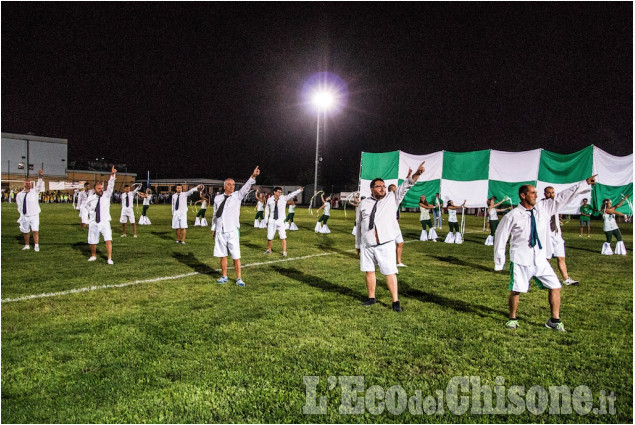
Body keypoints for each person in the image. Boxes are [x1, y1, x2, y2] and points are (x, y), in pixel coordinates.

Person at [494, 175, 596, 332]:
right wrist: (499, 262)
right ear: (523, 195)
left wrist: (584, 184)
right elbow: (500, 239)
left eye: (536, 192)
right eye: (533, 192)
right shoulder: (512, 216)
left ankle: (554, 320)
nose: (536, 195)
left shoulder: (543, 208)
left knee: (555, 286)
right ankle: (512, 318)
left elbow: (563, 197)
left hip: (541, 259)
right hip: (521, 259)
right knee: (516, 290)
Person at [355, 161, 426, 312]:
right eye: (379, 186)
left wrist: (417, 174)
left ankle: (395, 301)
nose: (382, 188)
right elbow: (359, 225)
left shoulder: (392, 198)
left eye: (383, 186)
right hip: (367, 244)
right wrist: (358, 245)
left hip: (385, 244)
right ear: (371, 188)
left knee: (389, 272)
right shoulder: (364, 204)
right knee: (369, 271)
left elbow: (407, 185)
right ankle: (371, 298)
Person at [213, 166, 260, 287]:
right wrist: (213, 228)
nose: (231, 186)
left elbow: (246, 187)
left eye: (233, 184)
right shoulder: (217, 198)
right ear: (224, 186)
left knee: (236, 256)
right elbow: (215, 214)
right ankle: (224, 276)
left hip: (232, 231)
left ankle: (239, 278)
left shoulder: (237, 196)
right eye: (229, 184)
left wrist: (253, 176)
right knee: (222, 255)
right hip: (220, 231)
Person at [81, 166, 117, 264]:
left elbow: (110, 186)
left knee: (108, 239)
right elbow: (85, 206)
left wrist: (112, 175)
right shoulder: (91, 198)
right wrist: (90, 213)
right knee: (92, 240)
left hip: (105, 222)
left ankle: (109, 258)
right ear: (94, 189)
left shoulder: (106, 195)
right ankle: (93, 256)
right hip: (93, 222)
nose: (101, 189)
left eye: (102, 188)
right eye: (99, 188)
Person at [544, 187, 579, 285]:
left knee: (561, 257)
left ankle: (566, 279)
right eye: (549, 193)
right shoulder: (542, 204)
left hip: (556, 234)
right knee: (547, 258)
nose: (551, 195)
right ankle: (545, 278)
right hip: (547, 234)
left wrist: (557, 222)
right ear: (544, 194)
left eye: (552, 193)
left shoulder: (556, 204)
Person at [264, 186, 304, 256]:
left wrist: (299, 190)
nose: (280, 193)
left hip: (280, 221)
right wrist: (266, 219)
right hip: (272, 221)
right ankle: (269, 249)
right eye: (278, 192)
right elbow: (267, 209)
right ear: (274, 192)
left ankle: (284, 252)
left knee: (283, 236)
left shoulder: (283, 198)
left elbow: (291, 194)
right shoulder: (270, 200)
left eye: (281, 192)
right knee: (270, 236)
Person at [16, 169, 45, 252]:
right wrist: (22, 214)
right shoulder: (19, 195)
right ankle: (27, 245)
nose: (28, 184)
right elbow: (19, 205)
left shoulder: (34, 191)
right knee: (25, 231)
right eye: (27, 183)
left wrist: (40, 176)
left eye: (29, 183)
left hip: (34, 215)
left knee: (35, 230)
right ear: (24, 184)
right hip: (25, 215)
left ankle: (36, 245)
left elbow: (39, 185)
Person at [388, 183, 407, 267]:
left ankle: (398, 262)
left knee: (400, 243)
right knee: (387, 244)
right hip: (388, 225)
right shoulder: (387, 199)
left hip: (395, 225)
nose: (396, 191)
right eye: (394, 189)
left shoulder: (396, 200)